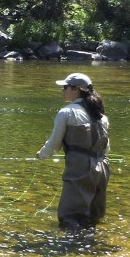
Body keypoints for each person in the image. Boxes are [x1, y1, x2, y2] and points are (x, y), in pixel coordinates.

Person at [36, 73, 110, 230]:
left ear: (76, 90)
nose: (62, 91)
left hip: (80, 168)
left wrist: (42, 155)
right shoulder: (101, 116)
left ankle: (74, 250)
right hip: (103, 167)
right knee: (93, 215)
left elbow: (54, 143)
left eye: (65, 87)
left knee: (70, 216)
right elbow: (106, 148)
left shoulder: (67, 112)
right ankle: (92, 246)